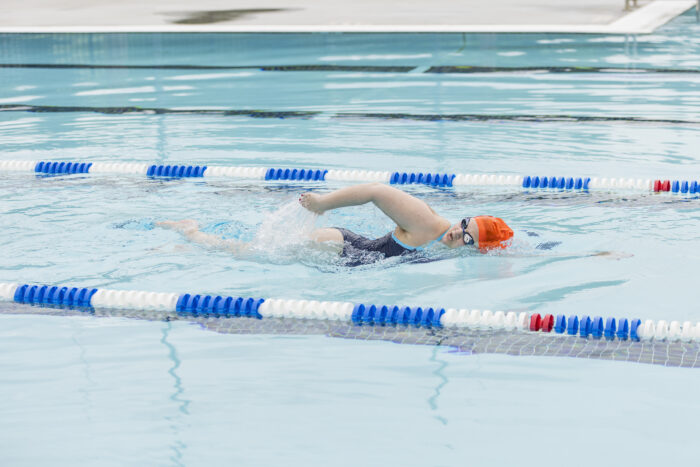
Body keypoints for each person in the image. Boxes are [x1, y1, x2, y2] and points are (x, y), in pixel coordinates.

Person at [157, 183, 514, 266]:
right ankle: (191, 233)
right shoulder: (428, 223)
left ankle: (193, 239)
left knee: (255, 253)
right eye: (464, 223)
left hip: (352, 262)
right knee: (254, 254)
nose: (457, 232)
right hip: (339, 246)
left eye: (467, 238)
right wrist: (323, 204)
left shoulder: (455, 255)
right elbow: (376, 192)